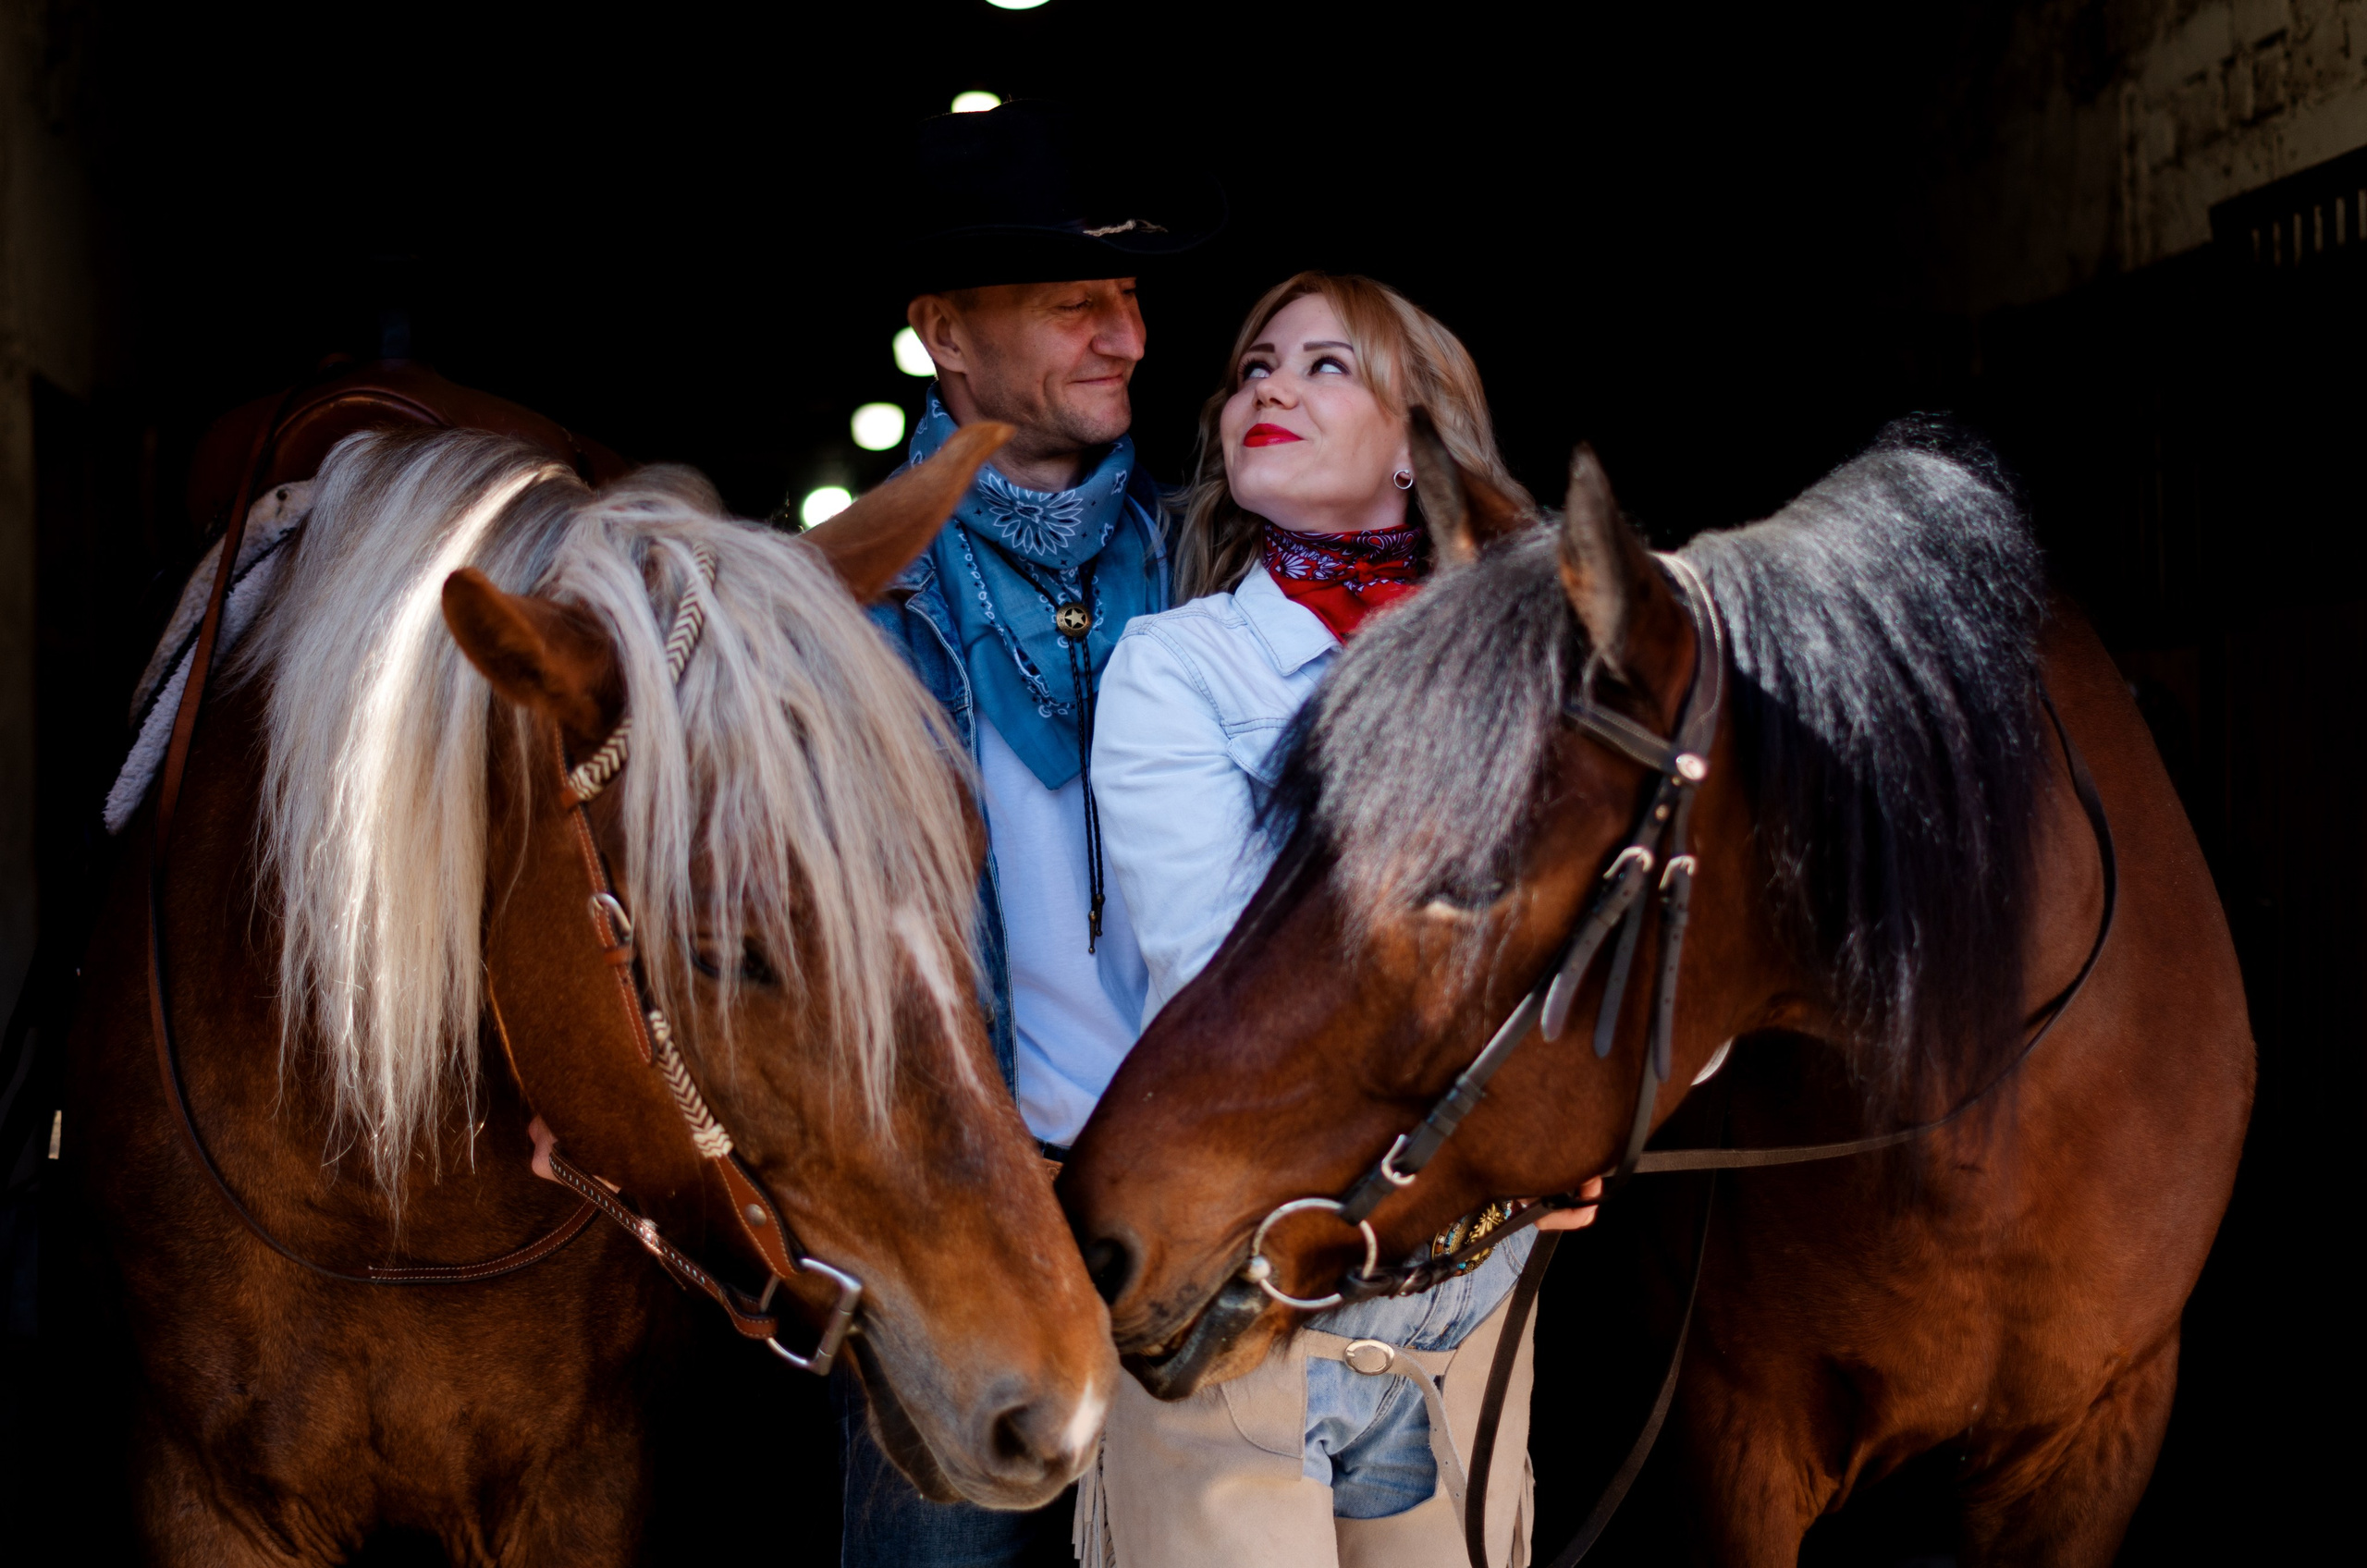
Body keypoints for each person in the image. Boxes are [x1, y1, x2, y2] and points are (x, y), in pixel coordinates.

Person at [1084, 273, 1598, 1568]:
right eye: (1256, 366)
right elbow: (1218, 979)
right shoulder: (1179, 666)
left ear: (1419, 439)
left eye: (1325, 367)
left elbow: (1597, 937)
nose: (1268, 388)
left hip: (1465, 1291)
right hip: (1242, 1286)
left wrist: (1567, 1105)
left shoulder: (1537, 671)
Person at [837, 100, 1215, 1568]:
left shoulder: (1213, 565)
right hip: (956, 1238)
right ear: (946, 333)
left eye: (1128, 297)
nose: (1124, 333)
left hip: (1196, 1223)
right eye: (1077, 302)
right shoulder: (843, 612)